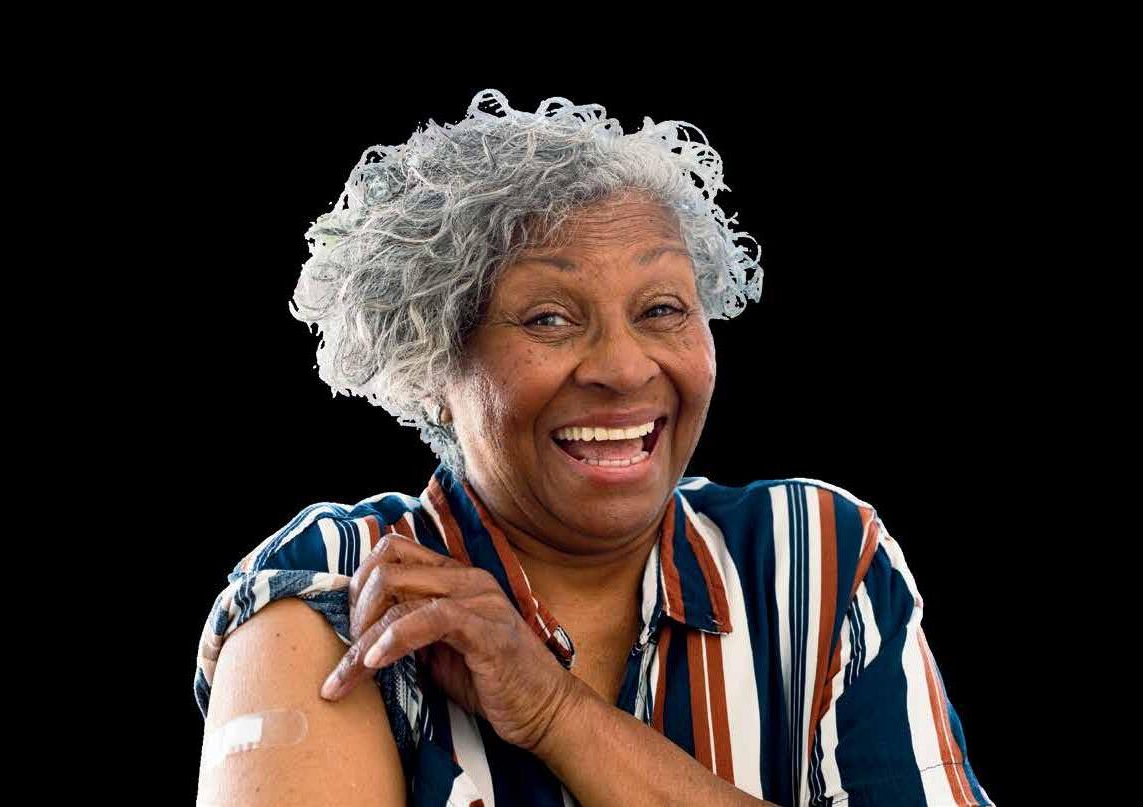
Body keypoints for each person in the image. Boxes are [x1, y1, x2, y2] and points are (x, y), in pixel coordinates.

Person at [193, 89, 995, 806]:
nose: (623, 367)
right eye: (549, 317)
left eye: (660, 309)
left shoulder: (813, 558)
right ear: (432, 362)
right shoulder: (337, 584)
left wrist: (554, 711)